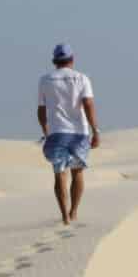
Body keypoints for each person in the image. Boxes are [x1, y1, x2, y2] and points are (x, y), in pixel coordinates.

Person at [37, 43, 100, 225]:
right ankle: (74, 212)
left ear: (54, 61)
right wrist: (95, 130)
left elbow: (41, 110)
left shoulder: (45, 80)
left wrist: (45, 131)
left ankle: (64, 215)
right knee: (77, 172)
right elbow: (88, 105)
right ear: (72, 59)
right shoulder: (82, 78)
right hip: (79, 133)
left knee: (59, 174)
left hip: (56, 132)